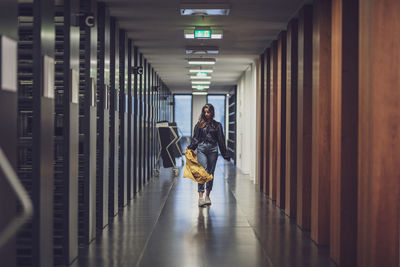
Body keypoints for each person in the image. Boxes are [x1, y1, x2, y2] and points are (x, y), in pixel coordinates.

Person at [187, 103, 230, 207]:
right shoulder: (199, 125)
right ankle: (200, 197)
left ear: (212, 113)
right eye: (205, 112)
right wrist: (190, 148)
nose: (206, 114)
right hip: (201, 149)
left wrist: (225, 155)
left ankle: (207, 196)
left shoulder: (218, 125)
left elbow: (221, 141)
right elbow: (195, 138)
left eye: (208, 112)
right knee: (202, 171)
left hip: (213, 150)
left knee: (210, 173)